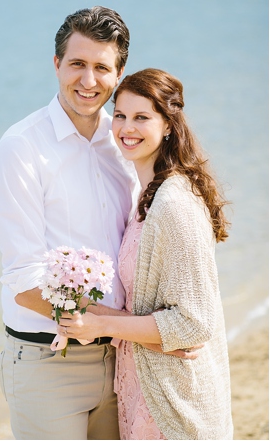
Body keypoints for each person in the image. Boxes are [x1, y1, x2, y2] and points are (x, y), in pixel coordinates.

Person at [0, 5, 139, 439]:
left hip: (121, 361)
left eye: (101, 68)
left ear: (119, 73)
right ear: (56, 64)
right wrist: (119, 324)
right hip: (47, 365)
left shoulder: (125, 144)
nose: (88, 81)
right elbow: (23, 281)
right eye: (77, 64)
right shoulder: (21, 148)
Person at [58, 69, 233, 439]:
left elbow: (193, 323)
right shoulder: (148, 195)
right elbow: (148, 310)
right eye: (119, 115)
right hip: (146, 389)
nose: (126, 128)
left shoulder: (173, 203)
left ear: (168, 125)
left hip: (173, 403)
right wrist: (89, 312)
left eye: (141, 117)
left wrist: (102, 325)